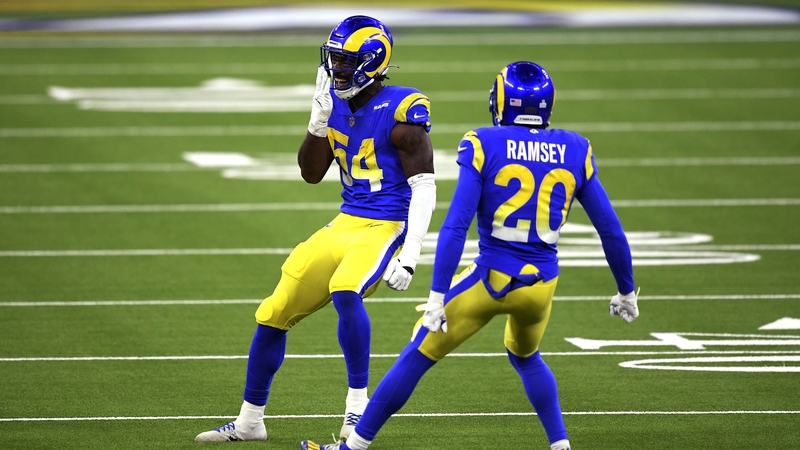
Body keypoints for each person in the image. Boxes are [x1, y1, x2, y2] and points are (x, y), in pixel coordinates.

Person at [301, 61, 639, 450]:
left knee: (418, 353)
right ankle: (560, 445)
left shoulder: (483, 142)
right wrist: (626, 291)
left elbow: (456, 226)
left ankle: (352, 447)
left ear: (501, 101)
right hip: (541, 285)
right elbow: (610, 228)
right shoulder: (576, 148)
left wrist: (436, 296)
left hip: (491, 279)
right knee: (527, 356)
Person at [195, 15, 436, 443]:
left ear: (372, 62)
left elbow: (425, 186)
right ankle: (251, 421)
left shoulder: (402, 109)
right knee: (273, 310)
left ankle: (355, 410)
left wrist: (413, 251)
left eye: (346, 61)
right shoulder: (334, 101)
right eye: (334, 59)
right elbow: (311, 173)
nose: (337, 68)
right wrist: (317, 122)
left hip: (387, 225)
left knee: (346, 288)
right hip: (346, 221)